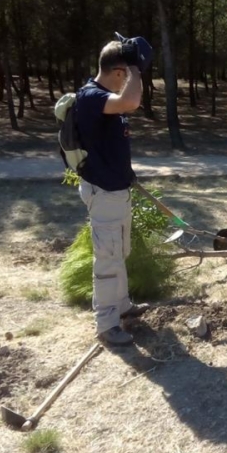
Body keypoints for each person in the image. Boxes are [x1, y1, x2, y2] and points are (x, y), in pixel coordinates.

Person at [74, 36, 153, 346]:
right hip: (104, 192)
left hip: (116, 190)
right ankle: (107, 324)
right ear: (120, 71)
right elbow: (132, 102)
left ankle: (122, 306)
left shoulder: (104, 97)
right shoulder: (92, 96)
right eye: (130, 73)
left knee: (119, 252)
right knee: (107, 258)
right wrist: (137, 68)